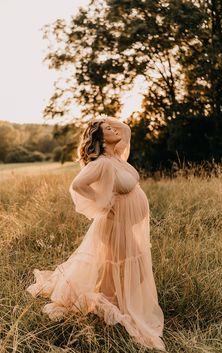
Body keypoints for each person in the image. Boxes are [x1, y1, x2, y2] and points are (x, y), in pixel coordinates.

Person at [26, 115, 167, 351]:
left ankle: (105, 308)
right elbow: (78, 185)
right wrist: (103, 204)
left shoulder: (118, 157)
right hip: (113, 227)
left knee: (121, 270)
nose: (115, 129)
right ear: (100, 139)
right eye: (108, 129)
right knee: (130, 268)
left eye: (112, 127)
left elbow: (127, 129)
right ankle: (109, 311)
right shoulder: (101, 162)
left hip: (124, 226)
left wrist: (102, 120)